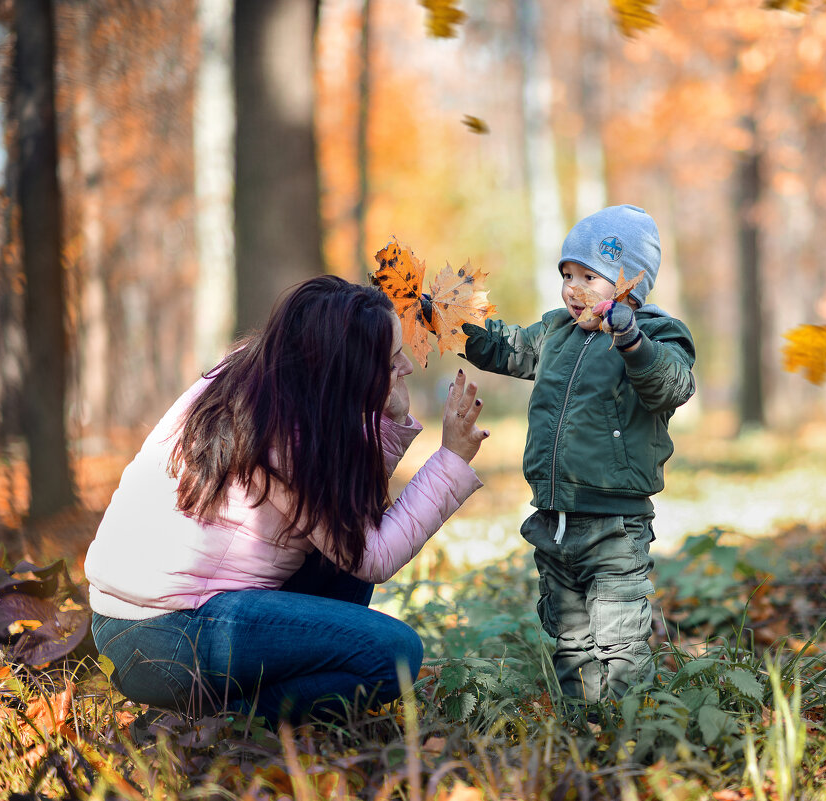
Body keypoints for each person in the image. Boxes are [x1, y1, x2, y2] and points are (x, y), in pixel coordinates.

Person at [84, 275, 490, 723]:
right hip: (161, 638)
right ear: (347, 368)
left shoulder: (261, 378)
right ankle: (223, 723)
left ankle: (225, 710)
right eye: (392, 361)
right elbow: (371, 556)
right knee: (395, 654)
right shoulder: (282, 436)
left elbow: (352, 515)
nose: (408, 367)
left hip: (135, 622)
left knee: (343, 556)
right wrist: (451, 458)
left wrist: (387, 419)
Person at [462, 204, 696, 705]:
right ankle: (583, 726)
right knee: (569, 636)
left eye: (590, 276)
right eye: (567, 273)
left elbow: (672, 386)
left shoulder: (657, 334)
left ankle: (631, 725)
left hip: (614, 523)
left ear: (630, 284)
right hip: (554, 515)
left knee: (619, 635)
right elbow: (506, 348)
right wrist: (454, 324)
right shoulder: (555, 333)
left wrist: (632, 341)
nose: (572, 287)